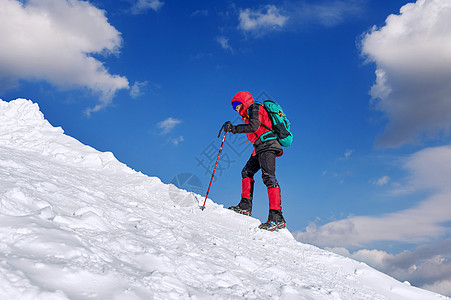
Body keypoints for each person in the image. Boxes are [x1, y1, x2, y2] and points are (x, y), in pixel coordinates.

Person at [223, 91, 286, 231]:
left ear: (244, 101)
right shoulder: (249, 113)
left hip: (268, 144)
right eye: (234, 107)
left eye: (237, 105)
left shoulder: (254, 107)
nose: (236, 109)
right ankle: (245, 206)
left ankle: (277, 217)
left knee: (268, 177)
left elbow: (254, 127)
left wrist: (233, 129)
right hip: (260, 147)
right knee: (246, 172)